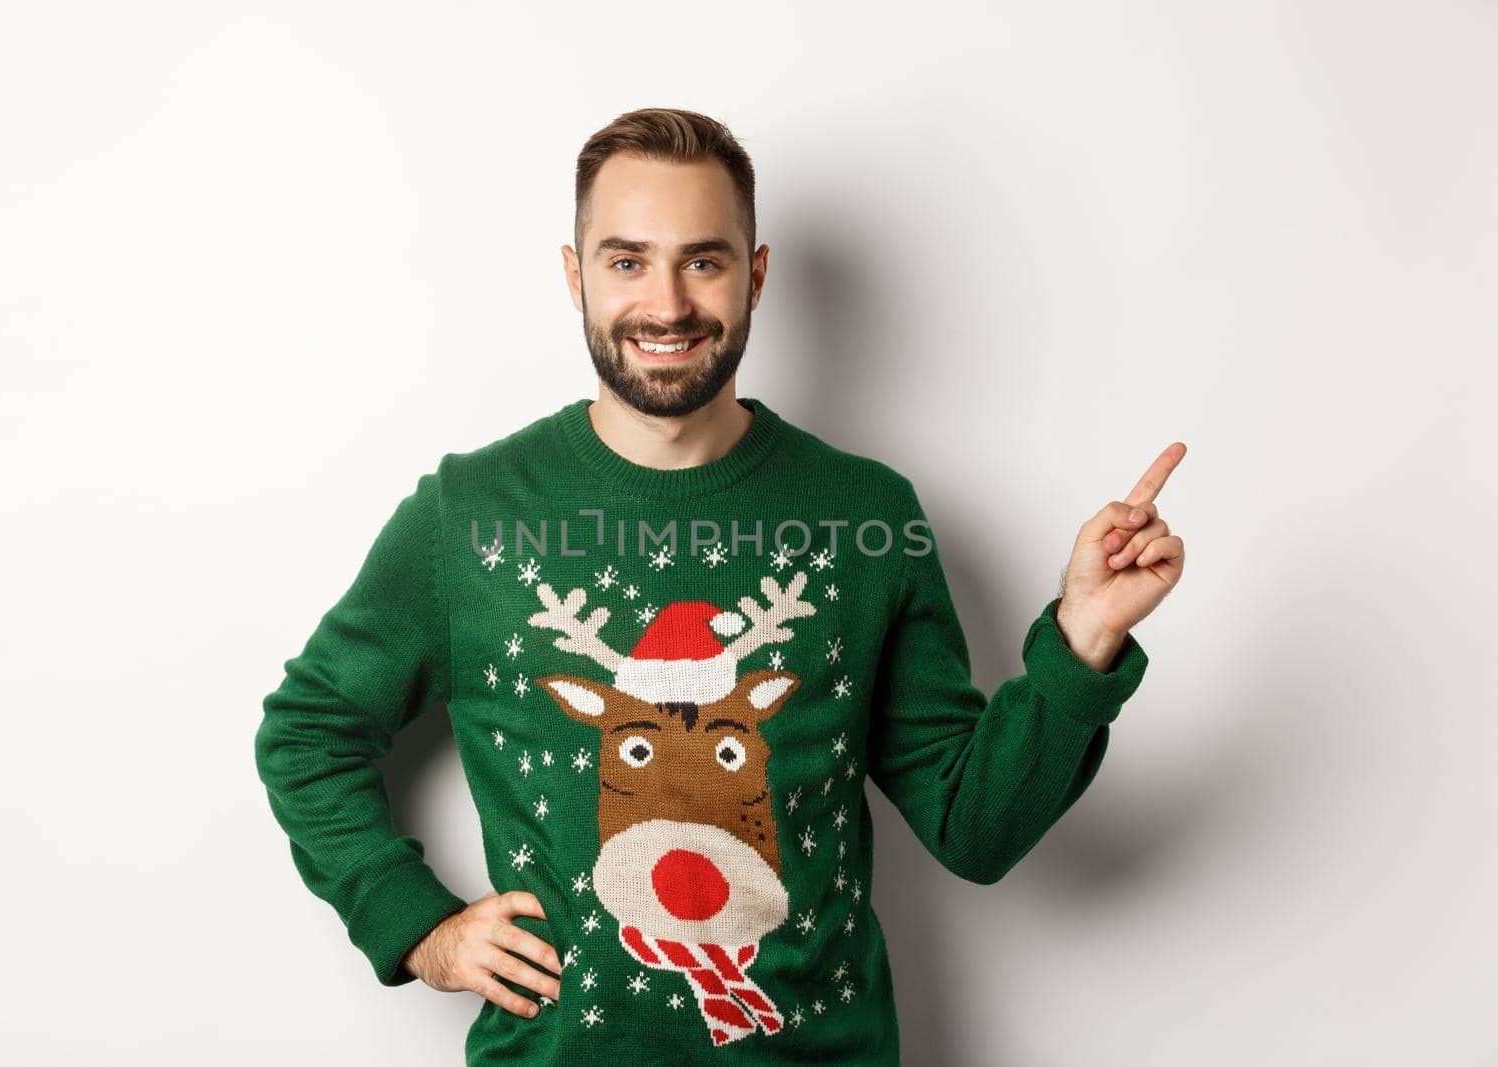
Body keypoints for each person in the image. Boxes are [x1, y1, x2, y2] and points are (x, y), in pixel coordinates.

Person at [254, 106, 1186, 1064]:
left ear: (756, 275)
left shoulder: (867, 516)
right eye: (626, 261)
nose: (666, 304)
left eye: (703, 260)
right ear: (575, 277)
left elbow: (973, 827)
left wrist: (1082, 641)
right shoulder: (472, 515)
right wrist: (418, 926)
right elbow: (309, 731)